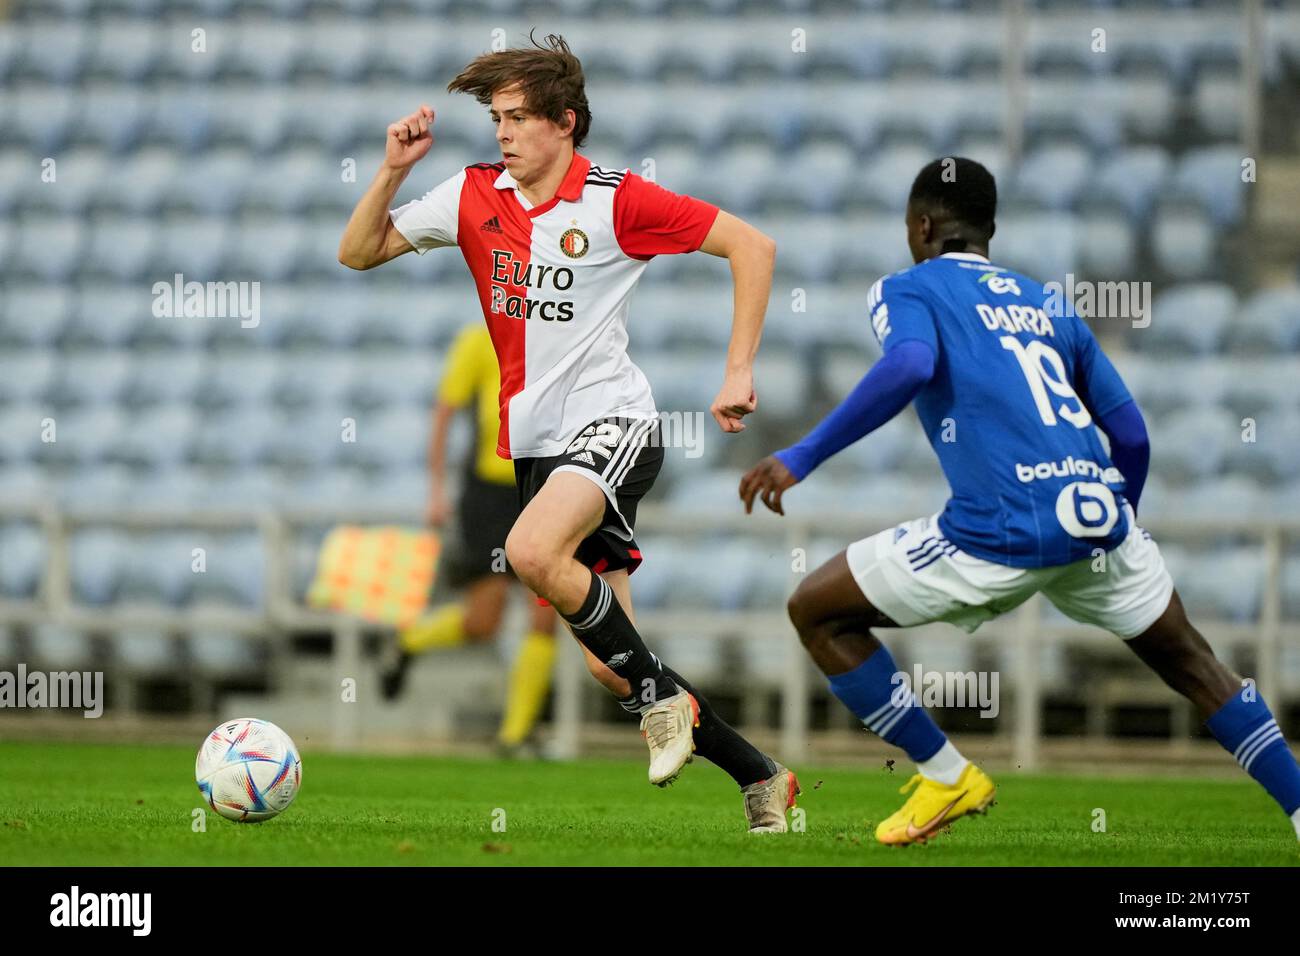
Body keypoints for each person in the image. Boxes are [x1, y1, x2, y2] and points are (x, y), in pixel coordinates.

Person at [740, 156, 1300, 846]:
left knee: (816, 611)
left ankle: (947, 774)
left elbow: (912, 364)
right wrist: (1121, 517)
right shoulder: (1049, 302)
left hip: (1000, 528)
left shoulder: (908, 287)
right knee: (1197, 666)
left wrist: (802, 455)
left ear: (921, 224)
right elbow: (1131, 432)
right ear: (990, 230)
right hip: (1100, 518)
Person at [340, 33, 797, 830]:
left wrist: (737, 369)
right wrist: (393, 170)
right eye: (496, 118)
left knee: (526, 552)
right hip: (538, 444)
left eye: (517, 117)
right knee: (609, 665)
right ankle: (760, 775)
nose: (503, 132)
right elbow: (357, 252)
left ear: (565, 122)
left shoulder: (617, 200)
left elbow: (751, 246)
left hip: (614, 422)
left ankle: (661, 703)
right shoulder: (471, 195)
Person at [380, 322, 559, 757]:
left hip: (545, 486)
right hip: (490, 494)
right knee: (485, 621)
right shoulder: (479, 340)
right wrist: (437, 491)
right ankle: (409, 642)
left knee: (546, 610)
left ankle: (513, 737)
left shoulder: (559, 333)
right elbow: (445, 414)